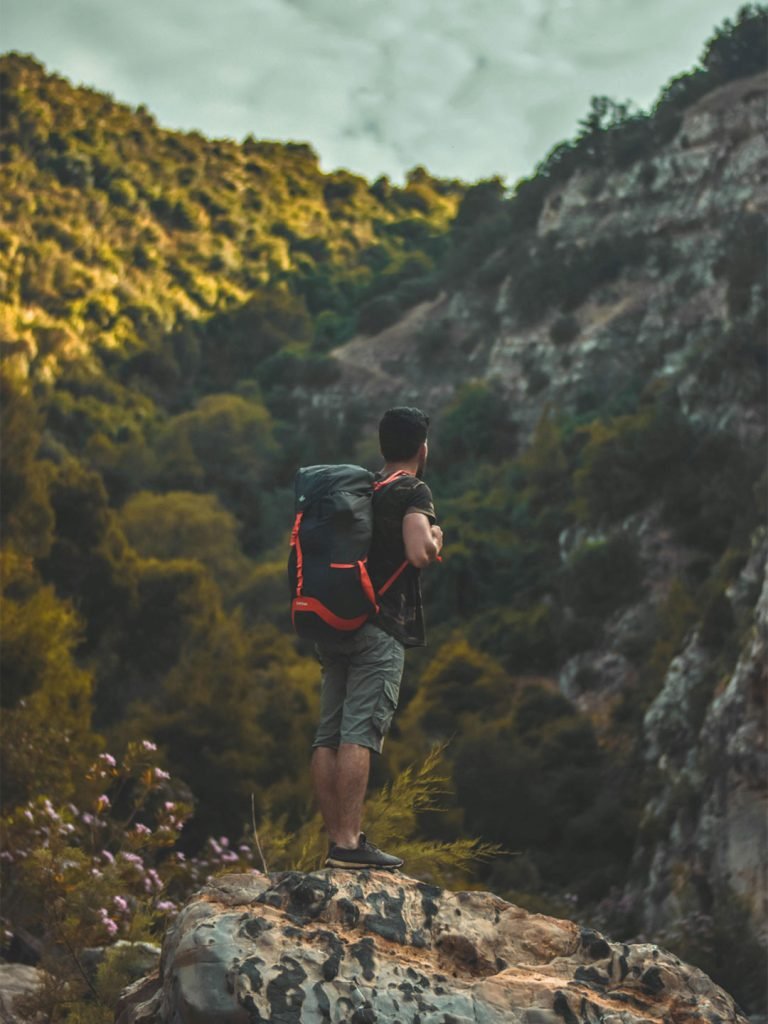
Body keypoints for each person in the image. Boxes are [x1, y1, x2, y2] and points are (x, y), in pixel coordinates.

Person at [310, 407, 443, 870]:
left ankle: (337, 840)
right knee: (358, 734)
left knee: (328, 734)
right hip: (378, 627)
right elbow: (419, 552)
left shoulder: (360, 486)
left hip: (333, 622)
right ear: (421, 449)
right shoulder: (413, 489)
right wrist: (436, 538)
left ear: (383, 445)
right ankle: (348, 845)